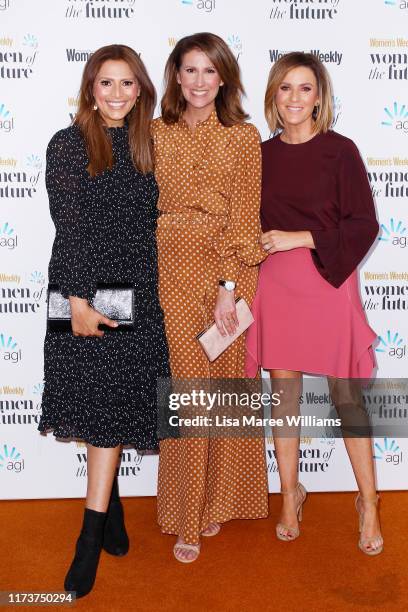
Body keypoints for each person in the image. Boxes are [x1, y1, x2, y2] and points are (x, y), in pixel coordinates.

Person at [38, 44, 170, 597]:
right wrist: (77, 302)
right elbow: (67, 226)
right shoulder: (67, 144)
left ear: (141, 90)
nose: (116, 94)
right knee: (94, 402)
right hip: (79, 291)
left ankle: (105, 511)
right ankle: (90, 536)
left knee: (112, 404)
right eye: (106, 83)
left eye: (127, 84)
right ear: (90, 87)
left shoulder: (150, 145)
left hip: (134, 292)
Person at [246, 52, 383, 555]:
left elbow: (364, 224)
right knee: (284, 400)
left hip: (328, 279)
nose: (295, 99)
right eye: (285, 88)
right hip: (277, 286)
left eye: (305, 88)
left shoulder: (340, 150)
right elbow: (245, 225)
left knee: (347, 398)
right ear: (273, 96)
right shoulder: (258, 154)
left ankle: (368, 502)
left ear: (320, 96)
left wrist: (299, 237)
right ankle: (290, 493)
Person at [152, 32, 269, 563]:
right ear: (176, 75)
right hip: (171, 266)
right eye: (189, 70)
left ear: (224, 78)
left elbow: (246, 212)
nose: (199, 81)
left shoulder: (242, 137)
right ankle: (186, 515)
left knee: (226, 387)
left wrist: (228, 287)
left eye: (209, 71)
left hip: (229, 267)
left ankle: (220, 498)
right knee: (190, 390)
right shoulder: (155, 132)